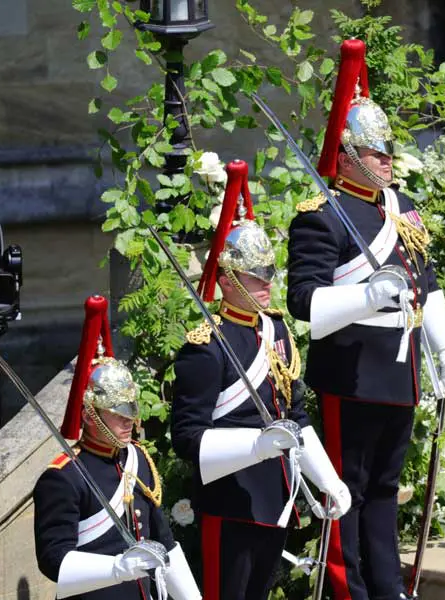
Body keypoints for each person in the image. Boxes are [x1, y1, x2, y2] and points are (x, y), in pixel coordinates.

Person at [286, 39, 445, 600]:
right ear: (345, 156)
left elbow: (425, 283)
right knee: (348, 489)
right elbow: (305, 303)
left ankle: (386, 587)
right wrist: (367, 298)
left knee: (386, 487)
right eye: (375, 152)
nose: (387, 160)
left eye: (389, 151)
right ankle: (349, 590)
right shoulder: (322, 216)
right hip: (352, 372)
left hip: (401, 371)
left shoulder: (402, 208)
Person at [170, 159, 351, 600]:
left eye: (269, 272)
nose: (268, 283)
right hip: (231, 501)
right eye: (256, 275)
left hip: (279, 498)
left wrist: (327, 480)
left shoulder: (278, 330)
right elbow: (188, 437)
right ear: (229, 281)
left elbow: (295, 414)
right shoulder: (206, 346)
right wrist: (256, 446)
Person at [33, 295, 201, 600]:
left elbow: (164, 540)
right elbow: (53, 560)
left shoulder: (136, 458)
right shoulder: (64, 477)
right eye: (117, 414)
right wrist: (117, 568)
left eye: (130, 411)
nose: (128, 421)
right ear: (89, 414)